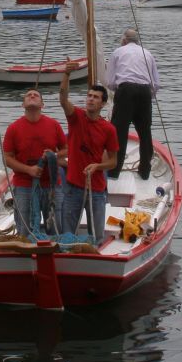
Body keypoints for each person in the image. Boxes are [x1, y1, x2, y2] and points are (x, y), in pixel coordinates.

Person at [59, 60, 118, 247]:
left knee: (97, 238)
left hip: (97, 191)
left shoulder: (108, 129)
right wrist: (66, 74)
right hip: (73, 187)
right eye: (89, 96)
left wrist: (98, 166)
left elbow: (113, 162)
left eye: (95, 97)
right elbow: (62, 98)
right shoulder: (76, 117)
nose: (91, 99)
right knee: (68, 235)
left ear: (103, 103)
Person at [2, 88, 67, 238]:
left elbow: (66, 149)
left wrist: (54, 155)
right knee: (25, 229)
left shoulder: (54, 125)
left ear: (42, 104)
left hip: (51, 185)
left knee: (56, 228)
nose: (32, 96)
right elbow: (7, 159)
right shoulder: (13, 129)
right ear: (22, 105)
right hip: (24, 185)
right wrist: (28, 170)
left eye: (36, 95)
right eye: (28, 95)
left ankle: (56, 253)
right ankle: (25, 255)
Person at [104, 28, 160, 180]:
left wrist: (119, 90)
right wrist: (149, 96)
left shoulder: (118, 52)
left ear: (124, 40)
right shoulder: (147, 53)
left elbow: (109, 81)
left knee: (119, 133)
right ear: (137, 41)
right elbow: (156, 83)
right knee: (145, 132)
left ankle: (114, 171)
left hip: (126, 90)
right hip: (145, 91)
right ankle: (145, 171)